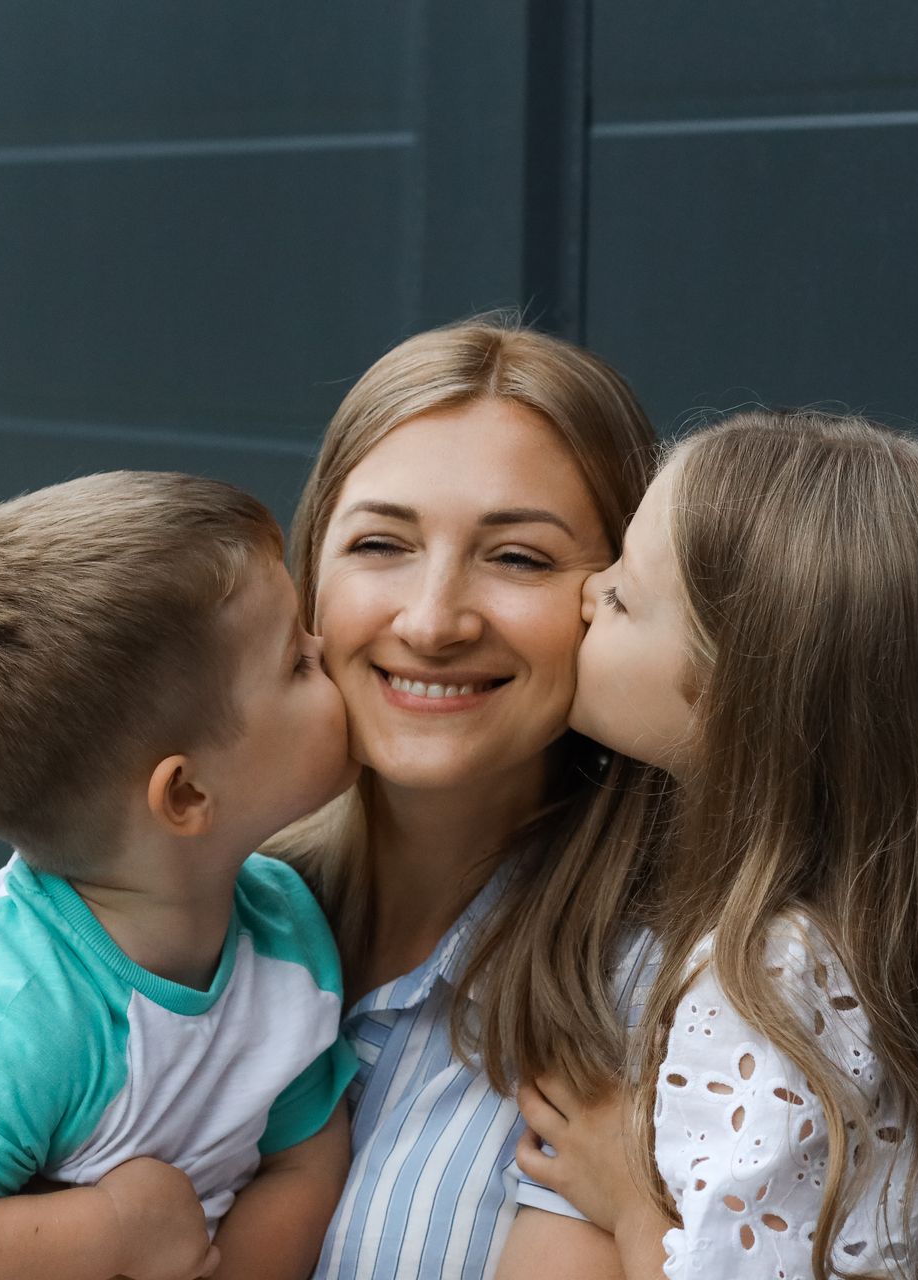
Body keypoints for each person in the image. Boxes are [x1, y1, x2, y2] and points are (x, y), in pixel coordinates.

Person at [515, 411, 918, 1279]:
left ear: (729, 693)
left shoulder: (765, 979)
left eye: (625, 596)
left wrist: (633, 1202)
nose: (589, 593)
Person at [0, 471, 358, 1280]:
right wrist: (112, 1226)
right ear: (188, 792)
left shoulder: (282, 930)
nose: (329, 651)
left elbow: (306, 1161)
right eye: (298, 662)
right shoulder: (18, 1022)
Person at [207, 318, 669, 1280]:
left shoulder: (676, 1006)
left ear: (617, 595)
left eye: (519, 559)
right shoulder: (181, 906)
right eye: (381, 543)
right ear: (309, 579)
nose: (432, 621)